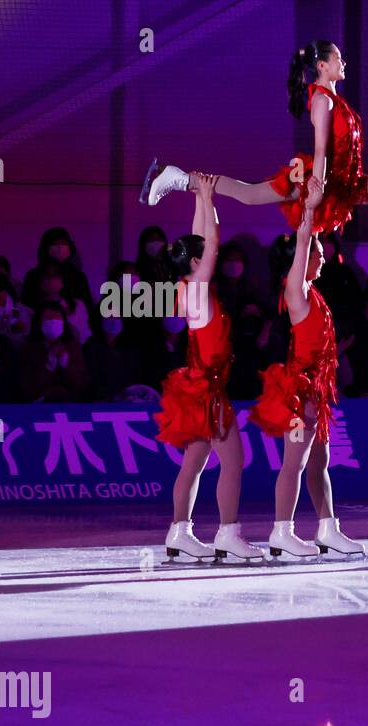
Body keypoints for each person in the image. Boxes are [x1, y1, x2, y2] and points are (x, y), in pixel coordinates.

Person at [143, 40, 368, 230]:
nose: (343, 63)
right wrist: (316, 189)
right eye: (338, 58)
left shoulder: (333, 98)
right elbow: (320, 149)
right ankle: (177, 177)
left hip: (345, 181)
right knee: (247, 194)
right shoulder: (321, 101)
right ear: (322, 65)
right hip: (321, 181)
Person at [250, 177, 364, 559]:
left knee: (319, 462)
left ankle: (328, 529)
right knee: (295, 463)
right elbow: (301, 242)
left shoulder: (312, 292)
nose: (323, 257)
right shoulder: (294, 291)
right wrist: (310, 210)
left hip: (317, 391)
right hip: (299, 394)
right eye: (318, 252)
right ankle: (282, 531)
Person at [153, 174, 264, 563]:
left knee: (194, 464)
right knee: (232, 462)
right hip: (208, 392)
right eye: (206, 256)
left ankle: (179, 532)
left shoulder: (188, 285)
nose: (214, 256)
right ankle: (228, 534)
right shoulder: (197, 288)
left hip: (199, 386)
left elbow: (201, 241)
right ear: (197, 262)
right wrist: (205, 195)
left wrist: (203, 196)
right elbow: (211, 243)